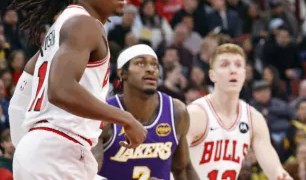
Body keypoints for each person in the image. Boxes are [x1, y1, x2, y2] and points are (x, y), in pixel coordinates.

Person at [11, 0, 146, 179]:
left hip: (47, 152)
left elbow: (21, 97)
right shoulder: (84, 25)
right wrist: (126, 118)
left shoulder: (61, 28)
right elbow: (61, 90)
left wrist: (25, 143)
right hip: (57, 152)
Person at [187, 43, 293, 180]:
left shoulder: (254, 118)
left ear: (244, 74)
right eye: (225, 65)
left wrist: (282, 176)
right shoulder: (196, 114)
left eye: (238, 65)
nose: (233, 70)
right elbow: (174, 163)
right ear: (212, 75)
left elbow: (274, 169)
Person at [96, 44, 197, 180]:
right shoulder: (104, 114)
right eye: (141, 63)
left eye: (155, 65)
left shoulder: (176, 112)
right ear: (122, 73)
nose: (150, 69)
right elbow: (87, 174)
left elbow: (183, 169)